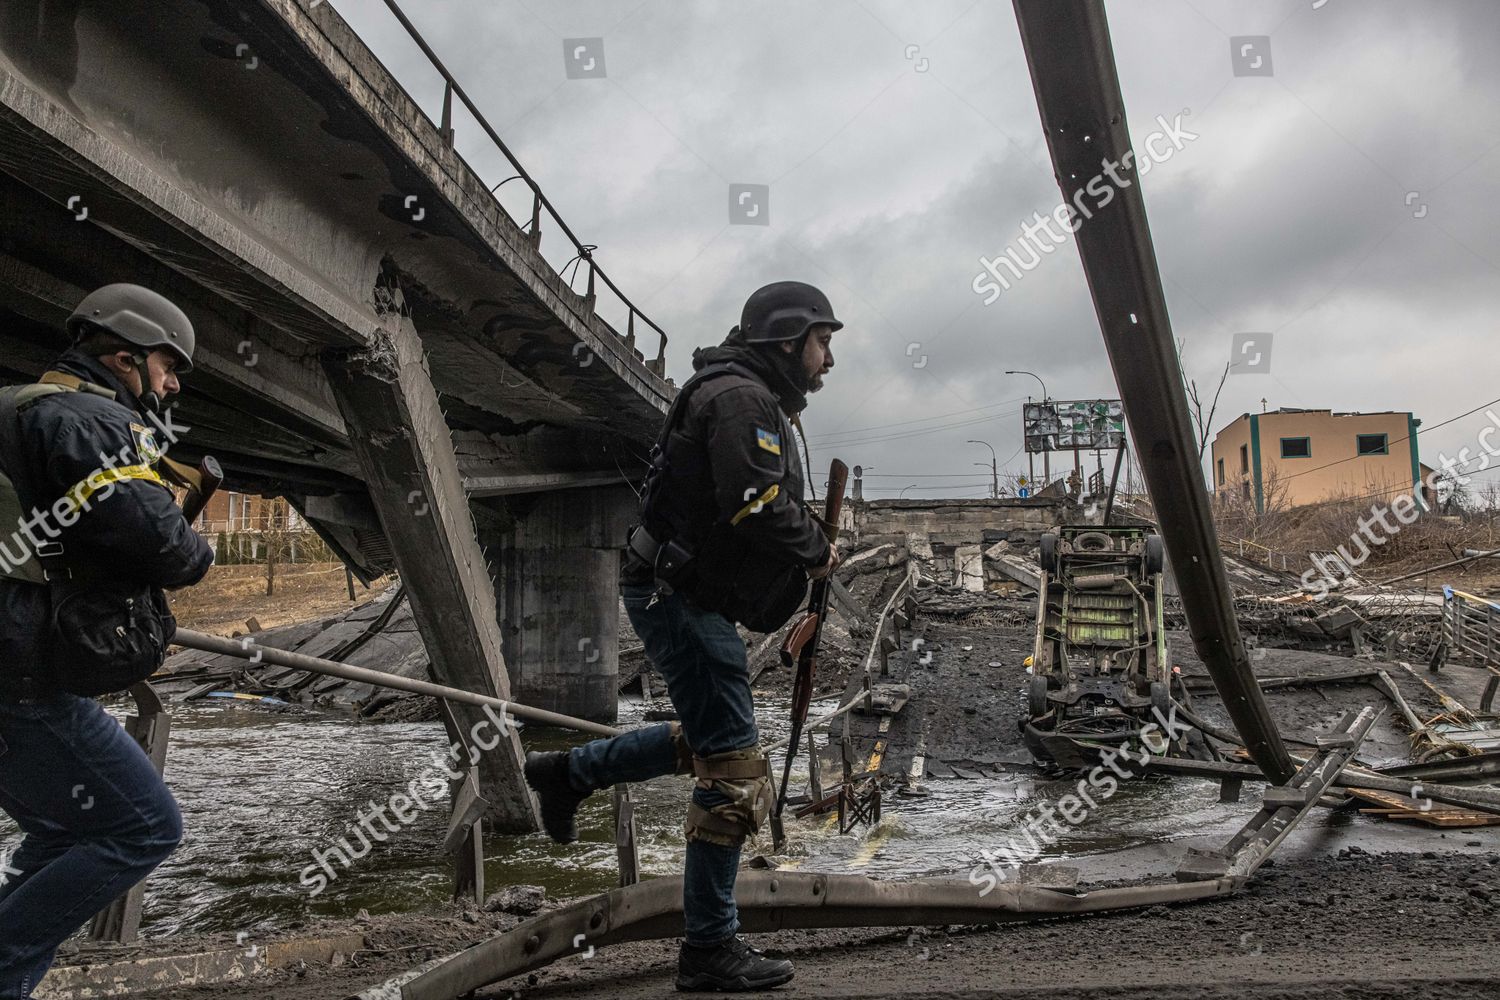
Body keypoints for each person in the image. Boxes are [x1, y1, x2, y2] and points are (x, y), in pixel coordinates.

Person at [525, 281, 842, 992]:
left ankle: (565, 774)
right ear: (788, 341)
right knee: (731, 767)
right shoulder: (740, 400)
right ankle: (708, 949)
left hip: (681, 592)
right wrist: (815, 551)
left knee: (705, 741)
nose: (828, 362)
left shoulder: (744, 394)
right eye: (823, 343)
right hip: (678, 597)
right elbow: (756, 504)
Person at [0, 284, 214, 1000]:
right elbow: (163, 544)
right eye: (166, 365)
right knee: (145, 826)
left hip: (16, 663)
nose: (173, 383)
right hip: (19, 673)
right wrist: (200, 548)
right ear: (124, 357)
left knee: (64, 833)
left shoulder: (16, 408)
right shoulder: (88, 418)